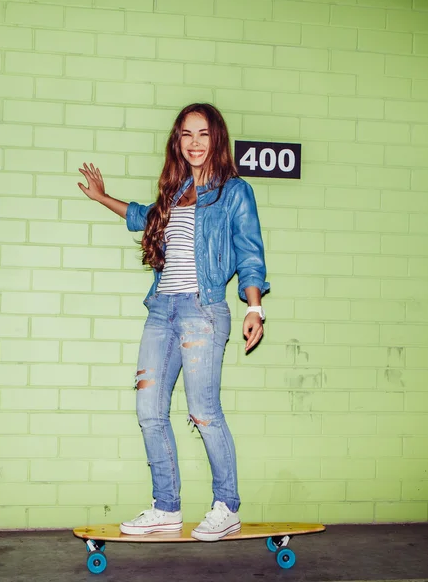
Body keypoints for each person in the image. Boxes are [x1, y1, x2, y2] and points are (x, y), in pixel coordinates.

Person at [77, 103, 269, 541]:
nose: (195, 142)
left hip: (203, 309)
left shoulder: (234, 192)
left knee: (203, 412)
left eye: (203, 134)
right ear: (177, 141)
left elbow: (250, 251)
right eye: (187, 134)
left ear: (216, 139)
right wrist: (103, 196)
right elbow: (144, 217)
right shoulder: (174, 189)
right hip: (162, 310)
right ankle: (166, 507)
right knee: (149, 411)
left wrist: (254, 308)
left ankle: (227, 505)